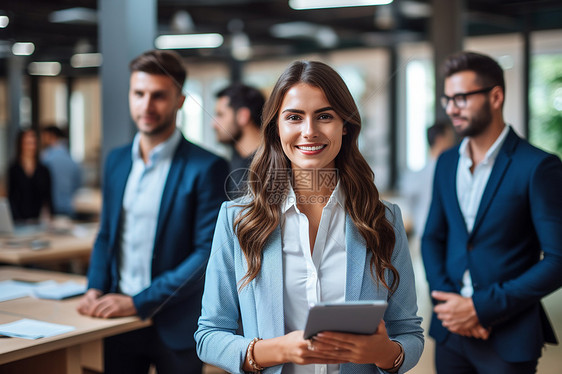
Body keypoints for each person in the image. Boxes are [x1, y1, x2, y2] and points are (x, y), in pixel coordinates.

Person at [196, 60, 424, 374]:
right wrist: (274, 350)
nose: (309, 131)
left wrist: (386, 353)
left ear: (345, 125)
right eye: (294, 117)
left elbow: (409, 332)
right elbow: (208, 336)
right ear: (277, 126)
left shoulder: (383, 220)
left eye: (325, 116)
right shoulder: (237, 219)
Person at [76, 49, 229, 374]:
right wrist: (95, 287)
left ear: (180, 100)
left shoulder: (207, 167)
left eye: (158, 96)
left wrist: (140, 300)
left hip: (175, 323)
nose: (146, 106)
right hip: (118, 320)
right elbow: (106, 235)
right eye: (139, 94)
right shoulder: (117, 161)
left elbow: (206, 254)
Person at [422, 51, 562, 374]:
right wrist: (448, 305)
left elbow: (557, 259)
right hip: (451, 334)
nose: (451, 109)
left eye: (461, 98)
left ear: (495, 96)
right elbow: (432, 238)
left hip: (508, 335)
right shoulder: (446, 163)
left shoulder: (538, 166)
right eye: (447, 99)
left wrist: (481, 309)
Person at [399, 121, 455, 237]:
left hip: (425, 234)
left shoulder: (414, 176)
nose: (454, 143)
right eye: (450, 138)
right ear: (440, 140)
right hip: (433, 236)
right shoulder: (447, 171)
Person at [213, 83, 265, 198]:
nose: (214, 124)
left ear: (243, 116)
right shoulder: (232, 161)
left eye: (220, 115)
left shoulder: (271, 165)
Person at [8, 129, 52, 222]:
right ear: (21, 144)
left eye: (33, 143)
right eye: (27, 143)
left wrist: (49, 218)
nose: (31, 147)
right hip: (18, 221)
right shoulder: (14, 169)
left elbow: (48, 198)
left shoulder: (44, 170)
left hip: (38, 221)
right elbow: (11, 198)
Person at [40, 125, 82, 217]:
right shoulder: (72, 160)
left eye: (44, 137)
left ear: (51, 136)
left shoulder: (45, 159)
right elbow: (78, 185)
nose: (42, 141)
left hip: (51, 210)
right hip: (69, 208)